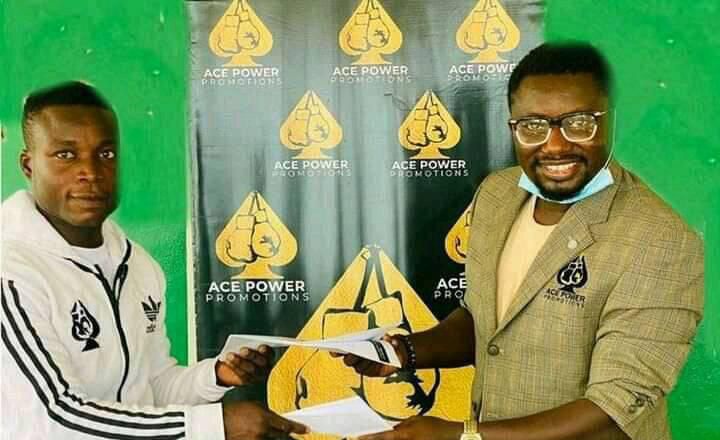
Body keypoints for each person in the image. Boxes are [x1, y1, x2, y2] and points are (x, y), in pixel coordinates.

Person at [338, 43, 704, 440]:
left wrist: (463, 436)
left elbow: (616, 403)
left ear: (611, 120)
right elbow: (485, 322)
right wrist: (403, 352)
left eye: (579, 123)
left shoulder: (660, 238)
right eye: (532, 126)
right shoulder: (497, 194)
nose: (555, 145)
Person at [1, 81, 307, 440]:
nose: (91, 172)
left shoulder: (138, 265)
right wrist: (214, 425)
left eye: (106, 154)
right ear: (28, 165)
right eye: (66, 155)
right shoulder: (11, 273)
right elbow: (57, 416)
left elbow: (152, 388)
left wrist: (215, 376)